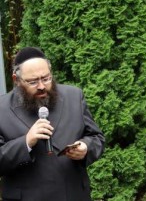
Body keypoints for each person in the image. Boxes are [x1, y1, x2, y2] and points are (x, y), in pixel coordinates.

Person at [0, 47, 105, 201]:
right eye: (33, 81)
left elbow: (97, 138)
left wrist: (86, 148)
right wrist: (26, 142)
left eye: (46, 78)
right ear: (16, 80)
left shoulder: (73, 96)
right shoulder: (2, 109)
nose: (42, 86)